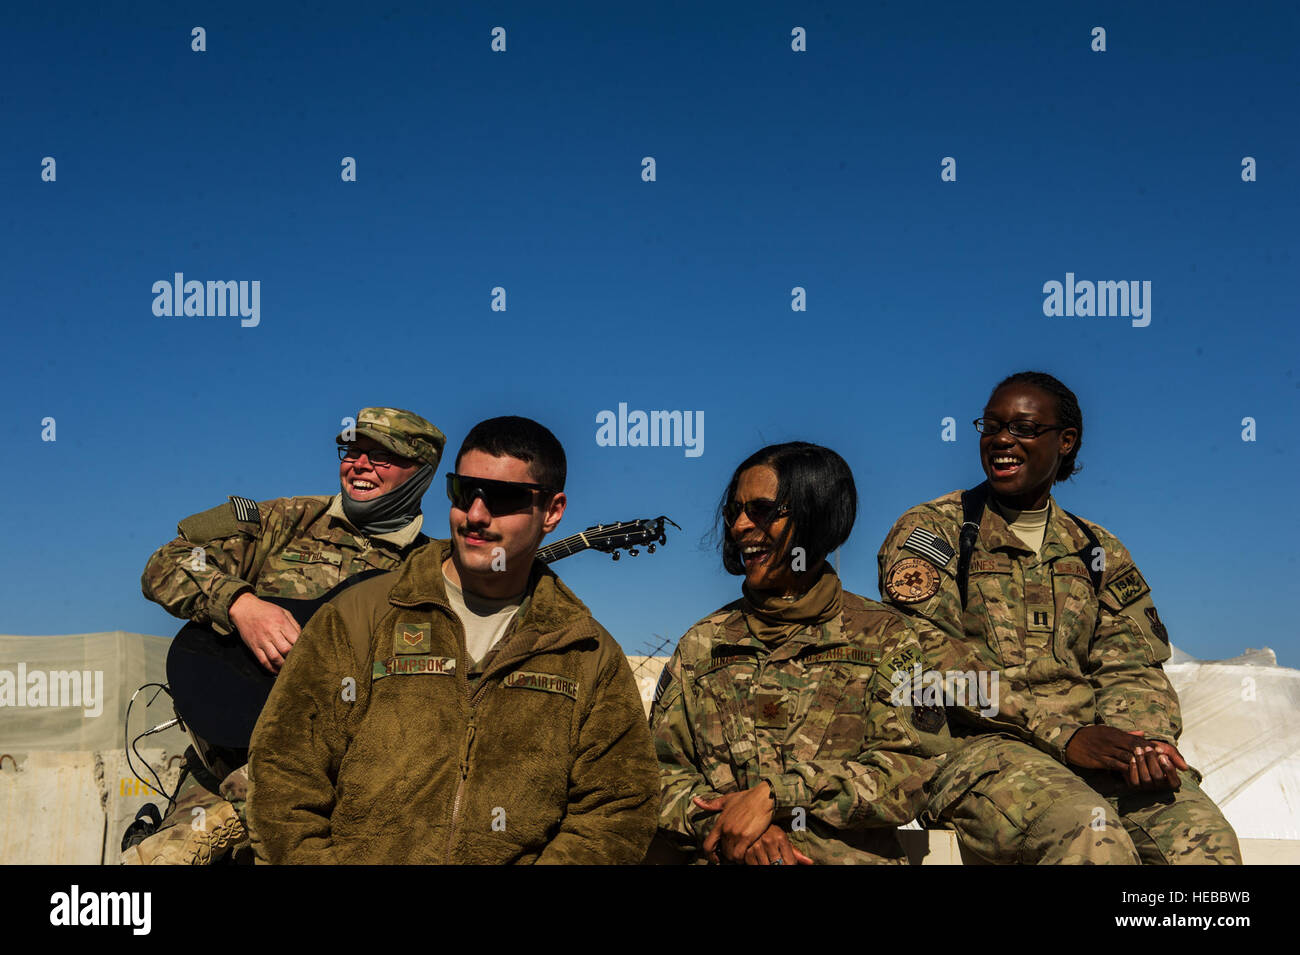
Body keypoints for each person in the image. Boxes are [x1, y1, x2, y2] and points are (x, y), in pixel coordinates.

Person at [246, 416, 659, 864]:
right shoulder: (359, 616)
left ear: (553, 511)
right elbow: (284, 773)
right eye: (464, 492)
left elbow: (618, 810)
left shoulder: (586, 652)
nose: (475, 516)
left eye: (503, 498)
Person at [877, 371, 1241, 864]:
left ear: (1065, 442)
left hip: (1094, 754)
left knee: (1205, 841)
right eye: (992, 426)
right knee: (1088, 834)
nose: (1002, 440)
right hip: (975, 752)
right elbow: (929, 662)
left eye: (1024, 429)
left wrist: (1142, 743)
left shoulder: (1096, 549)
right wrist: (1061, 735)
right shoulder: (934, 531)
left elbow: (1132, 667)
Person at [128, 407, 445, 865]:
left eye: (381, 457)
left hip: (337, 787)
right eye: (352, 451)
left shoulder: (432, 568)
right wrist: (241, 604)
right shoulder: (287, 520)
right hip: (219, 770)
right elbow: (169, 560)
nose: (359, 465)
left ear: (421, 474)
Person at [650, 442, 947, 865]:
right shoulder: (703, 644)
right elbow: (656, 774)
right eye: (734, 511)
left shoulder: (887, 637)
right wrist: (732, 828)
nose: (739, 526)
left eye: (762, 510)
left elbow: (915, 768)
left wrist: (779, 795)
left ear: (817, 515)